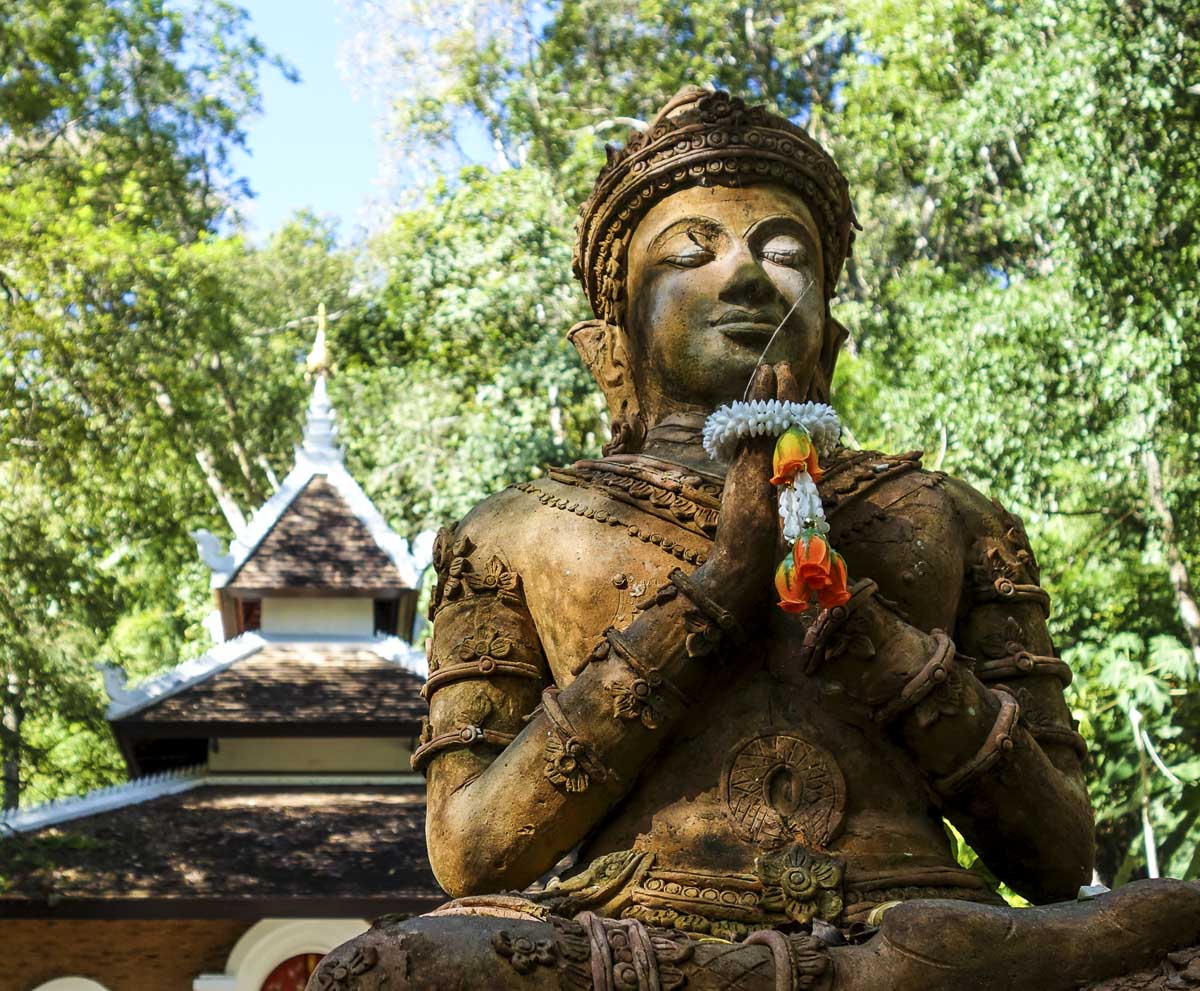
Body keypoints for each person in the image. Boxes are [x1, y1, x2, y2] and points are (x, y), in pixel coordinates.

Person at [310, 87, 1199, 991]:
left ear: (831, 330)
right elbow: (470, 849)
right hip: (640, 947)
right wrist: (718, 591)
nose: (743, 276)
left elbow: (1059, 852)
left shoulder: (949, 517)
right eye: (692, 251)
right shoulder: (515, 532)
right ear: (614, 333)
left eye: (783, 251)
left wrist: (879, 646)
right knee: (390, 970)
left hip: (926, 921)